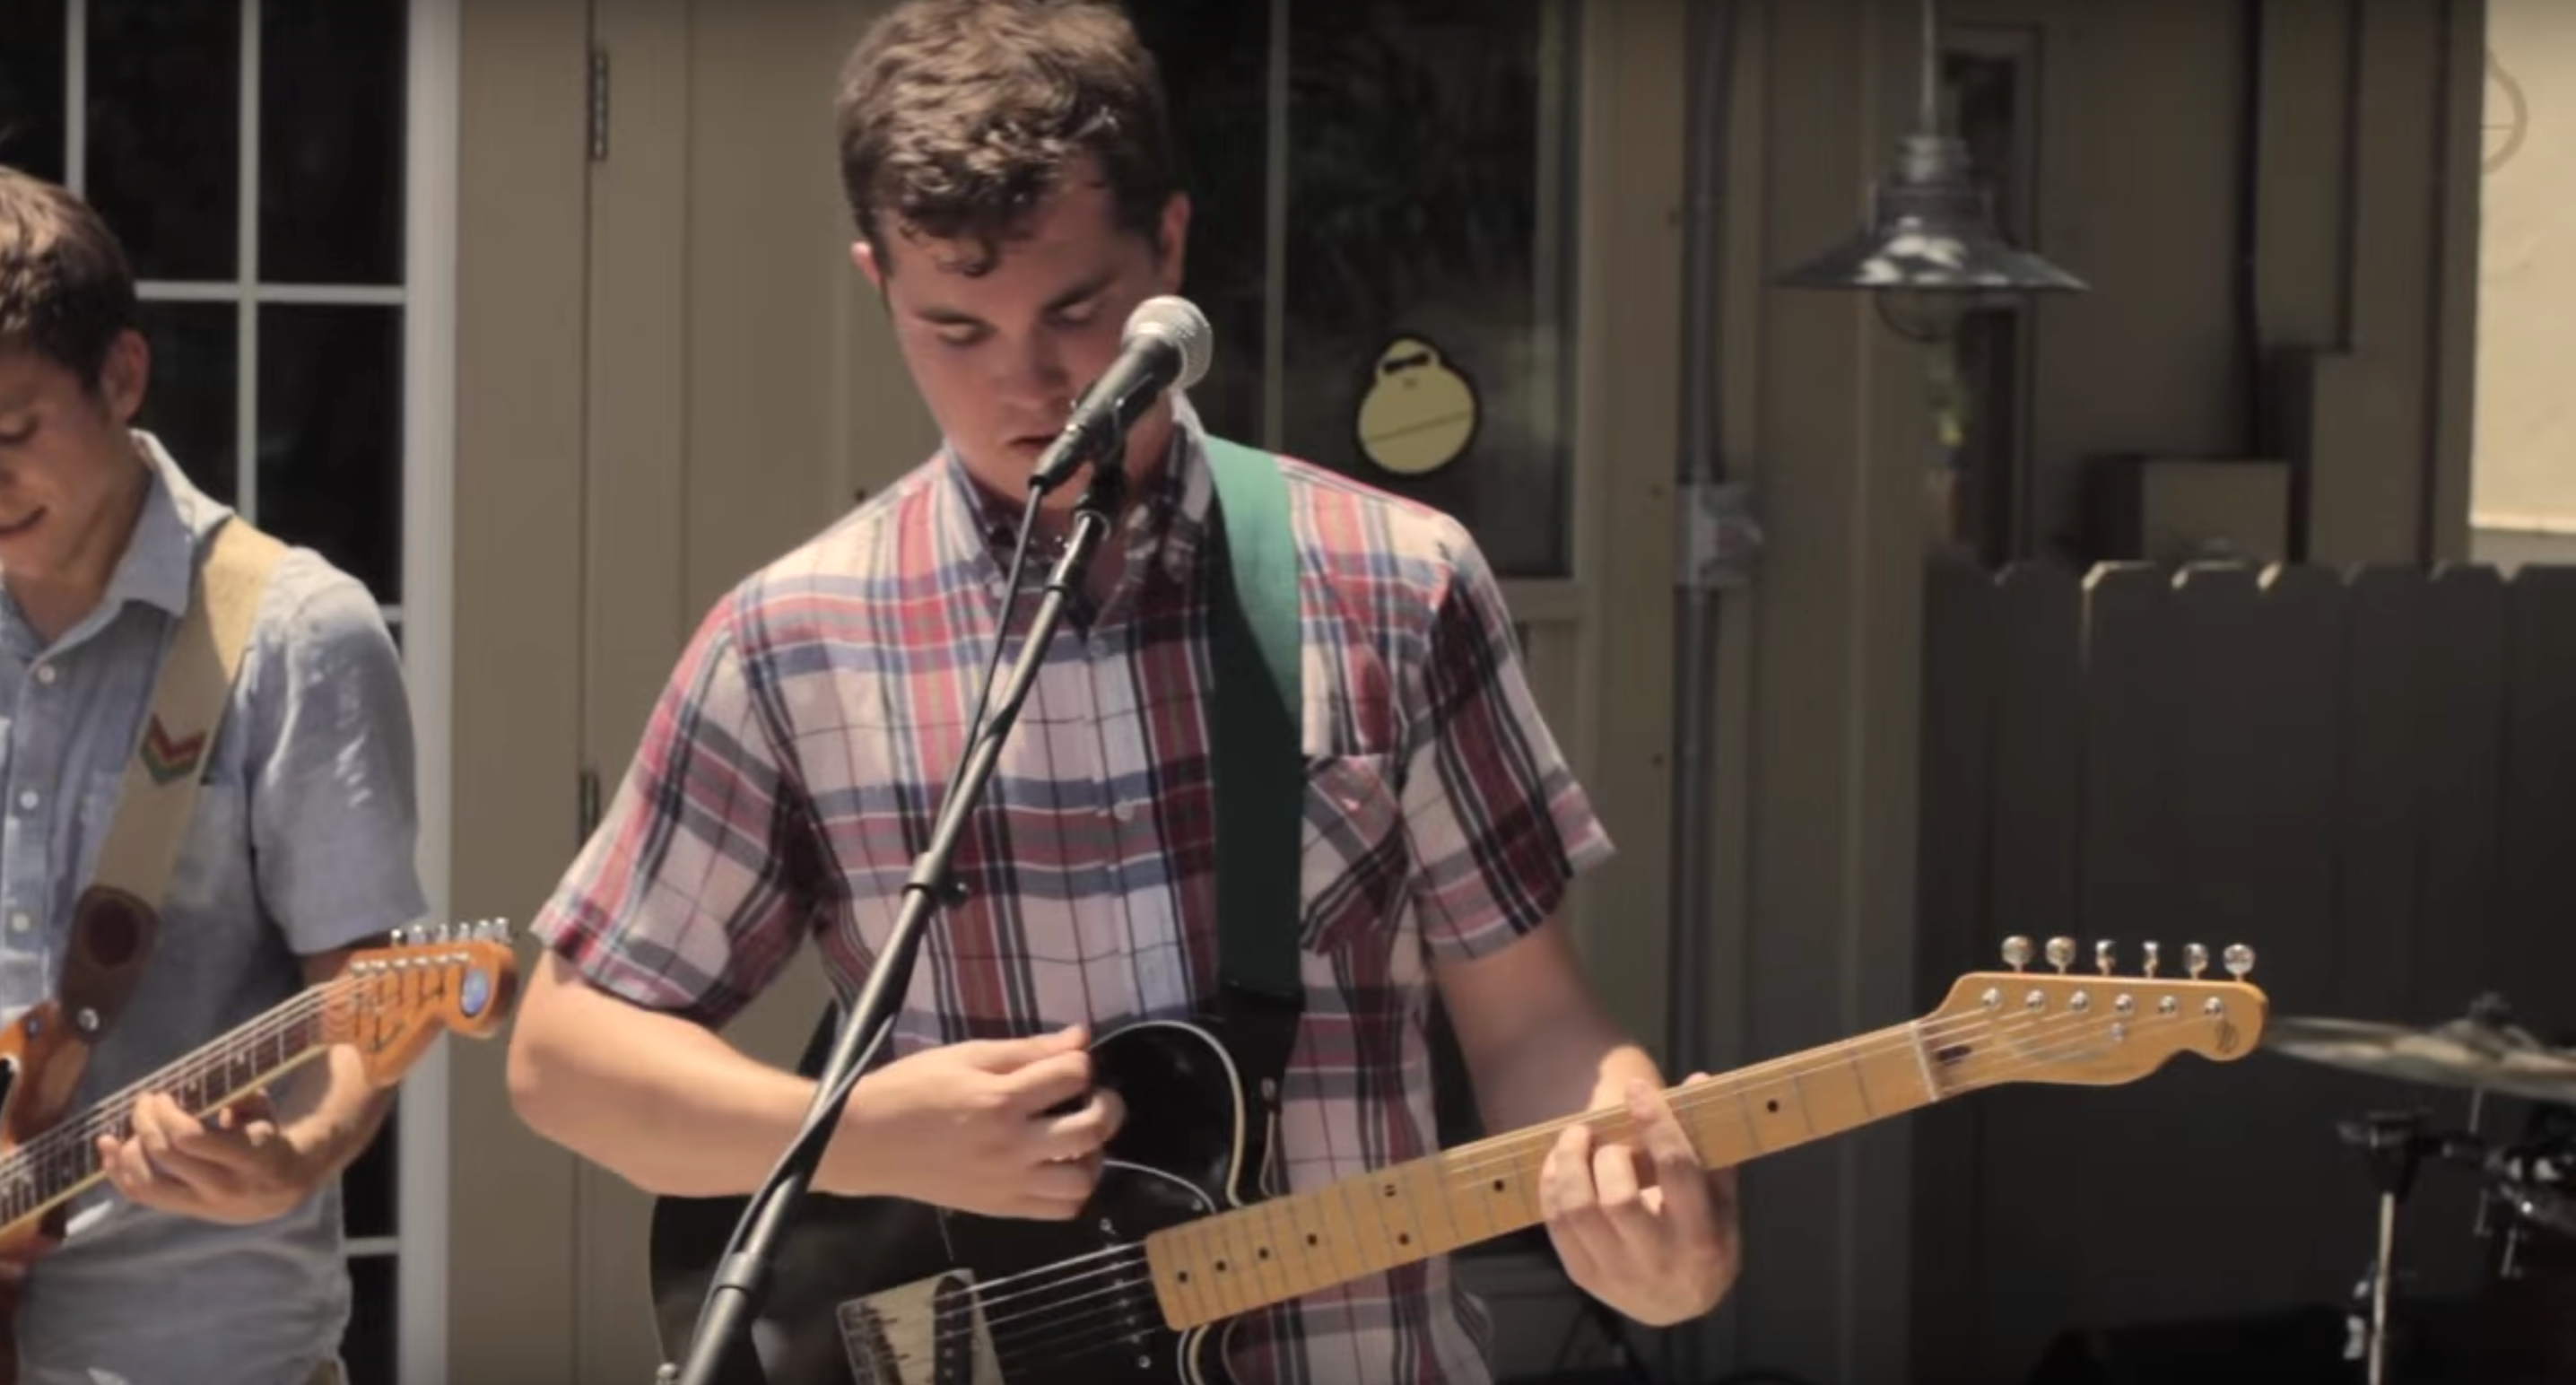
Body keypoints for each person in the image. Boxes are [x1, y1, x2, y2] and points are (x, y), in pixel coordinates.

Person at [504, 0, 1739, 1380]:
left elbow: (1538, 1025)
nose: (1025, 383)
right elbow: (563, 1059)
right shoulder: (796, 640)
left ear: (1170, 251)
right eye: (952, 329)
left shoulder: (1396, 583)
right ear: (876, 284)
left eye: (1077, 312)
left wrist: (1645, 1212)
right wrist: (862, 1129)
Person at [0, 167, 427, 1385]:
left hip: (198, 1346)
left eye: (12, 432)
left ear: (122, 376)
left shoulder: (292, 632)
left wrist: (297, 1152)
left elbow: (370, 996)